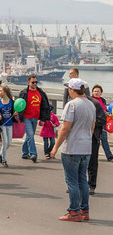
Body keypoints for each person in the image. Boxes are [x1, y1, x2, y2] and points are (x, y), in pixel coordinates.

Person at [50, 78, 95, 222]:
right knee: (83, 179)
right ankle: (84, 210)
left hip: (72, 148)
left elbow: (65, 129)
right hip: (86, 147)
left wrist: (55, 147)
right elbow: (92, 127)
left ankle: (74, 211)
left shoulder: (71, 105)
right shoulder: (91, 104)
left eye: (68, 88)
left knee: (72, 181)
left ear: (72, 90)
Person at [18, 75, 51, 163]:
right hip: (26, 118)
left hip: (35, 118)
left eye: (36, 82)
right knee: (30, 135)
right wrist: (18, 116)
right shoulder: (24, 92)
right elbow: (19, 104)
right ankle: (33, 154)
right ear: (28, 83)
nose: (35, 84)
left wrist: (43, 119)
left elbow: (44, 107)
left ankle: (24, 153)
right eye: (33, 82)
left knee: (29, 136)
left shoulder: (40, 93)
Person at [87, 89, 107, 195]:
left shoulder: (96, 103)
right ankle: (77, 184)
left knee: (92, 162)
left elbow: (102, 119)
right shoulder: (75, 103)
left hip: (93, 137)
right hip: (79, 137)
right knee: (77, 161)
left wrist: (91, 123)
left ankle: (91, 185)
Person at [0, 85, 17, 167]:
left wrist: (15, 113)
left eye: (0, 91)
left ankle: (0, 153)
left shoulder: (12, 102)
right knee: (5, 142)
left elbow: (15, 111)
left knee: (9, 143)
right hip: (2, 125)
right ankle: (4, 160)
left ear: (5, 92)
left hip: (9, 124)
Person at [91, 84, 113, 161]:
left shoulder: (103, 100)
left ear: (101, 93)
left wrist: (109, 114)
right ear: (92, 92)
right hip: (93, 123)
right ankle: (92, 156)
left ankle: (109, 156)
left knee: (104, 139)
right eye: (95, 91)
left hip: (102, 122)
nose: (96, 92)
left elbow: (105, 110)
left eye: (98, 91)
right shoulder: (90, 100)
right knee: (93, 140)